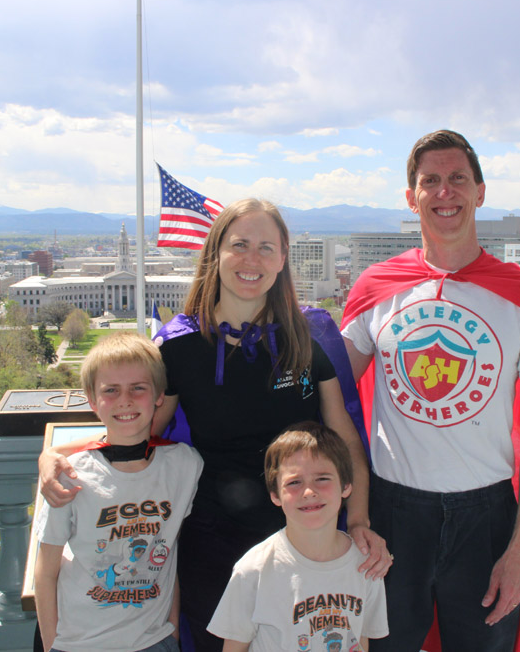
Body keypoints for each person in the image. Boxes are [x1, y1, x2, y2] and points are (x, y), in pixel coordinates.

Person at [38, 199, 391, 651]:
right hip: (212, 538)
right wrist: (57, 454)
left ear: (283, 258)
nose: (252, 259)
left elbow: (346, 440)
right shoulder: (180, 347)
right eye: (239, 244)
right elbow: (135, 432)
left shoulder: (309, 336)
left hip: (303, 533)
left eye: (267, 247)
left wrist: (358, 519)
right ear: (215, 254)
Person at [340, 130, 520, 652]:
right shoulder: (378, 287)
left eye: (458, 179)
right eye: (431, 181)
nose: (445, 192)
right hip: (391, 515)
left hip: (485, 520)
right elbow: (328, 394)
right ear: (411, 197)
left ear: (480, 192)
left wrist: (519, 551)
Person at [34, 332, 203, 652]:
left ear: (158, 395)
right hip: (81, 643)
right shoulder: (70, 475)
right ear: (92, 399)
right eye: (111, 390)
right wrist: (52, 644)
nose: (125, 400)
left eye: (138, 388)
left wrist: (171, 634)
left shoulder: (184, 465)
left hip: (155, 640)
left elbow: (169, 555)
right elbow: (45, 573)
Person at [208, 421, 388, 651]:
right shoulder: (254, 569)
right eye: (294, 482)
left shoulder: (368, 564)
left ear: (346, 486)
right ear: (275, 495)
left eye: (322, 478)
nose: (309, 491)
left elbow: (361, 640)